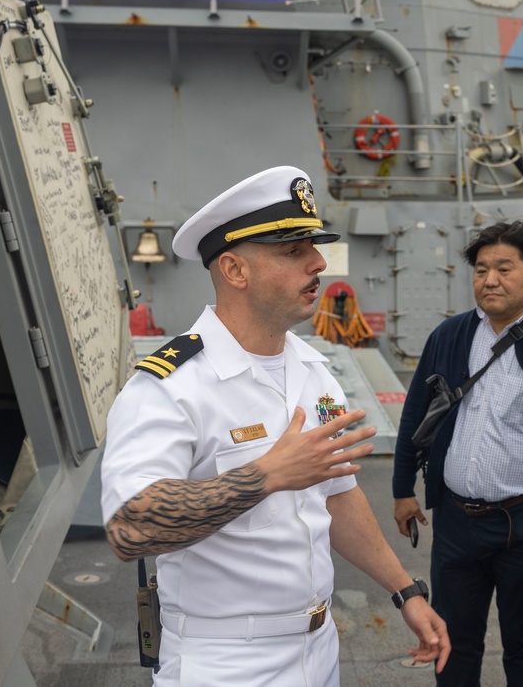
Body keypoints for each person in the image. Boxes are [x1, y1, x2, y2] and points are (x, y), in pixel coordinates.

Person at [100, 166, 450, 687]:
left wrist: (404, 590)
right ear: (235, 270)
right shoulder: (170, 387)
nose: (317, 262)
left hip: (320, 648)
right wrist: (267, 474)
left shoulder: (312, 371)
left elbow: (336, 493)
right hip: (223, 663)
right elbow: (129, 528)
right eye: (292, 250)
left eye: (313, 245)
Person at [391, 220, 523, 686]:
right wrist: (403, 488)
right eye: (482, 269)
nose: (490, 280)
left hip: (521, 522)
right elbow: (416, 414)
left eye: (504, 269)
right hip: (453, 523)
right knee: (452, 641)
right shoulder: (449, 335)